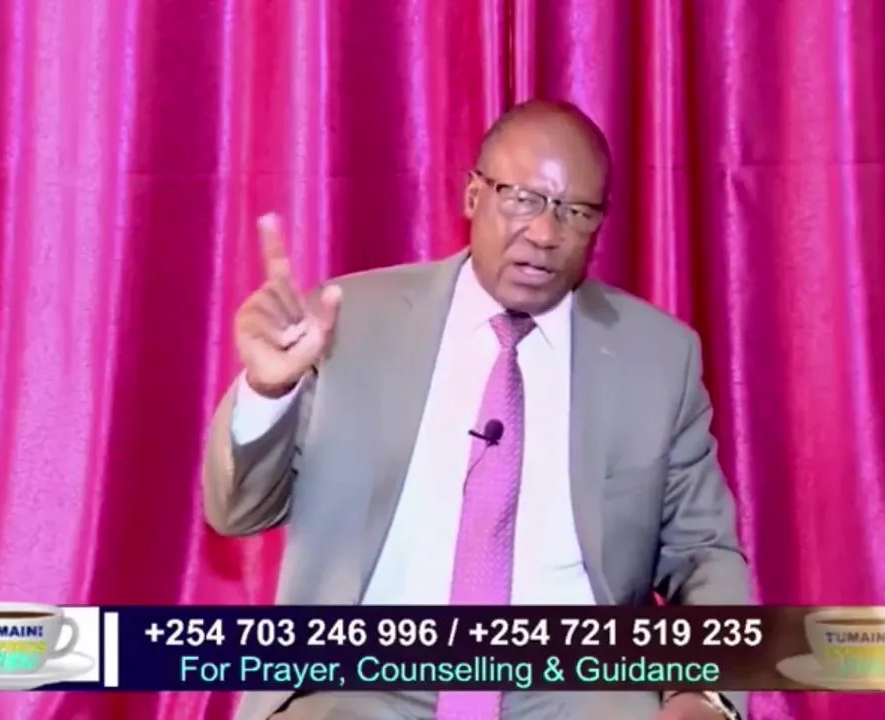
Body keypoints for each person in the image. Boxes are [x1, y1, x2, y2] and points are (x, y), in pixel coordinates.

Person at [202, 99, 751, 720]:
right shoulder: (350, 321)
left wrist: (705, 694)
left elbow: (703, 551)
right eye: (522, 198)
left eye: (575, 212)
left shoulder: (657, 357)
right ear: (473, 195)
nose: (545, 234)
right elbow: (237, 512)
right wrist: (268, 390)